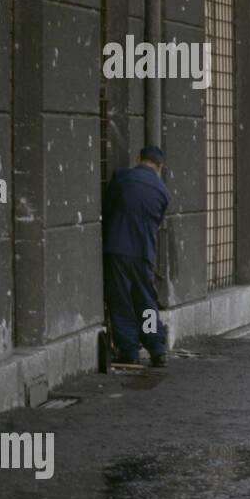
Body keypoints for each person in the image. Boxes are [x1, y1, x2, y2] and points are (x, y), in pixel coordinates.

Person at [103, 145, 171, 367]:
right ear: (159, 167)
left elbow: (108, 208)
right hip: (143, 252)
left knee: (120, 299)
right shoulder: (162, 192)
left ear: (138, 158)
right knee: (146, 301)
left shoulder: (122, 178)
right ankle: (156, 348)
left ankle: (129, 350)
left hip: (117, 247)